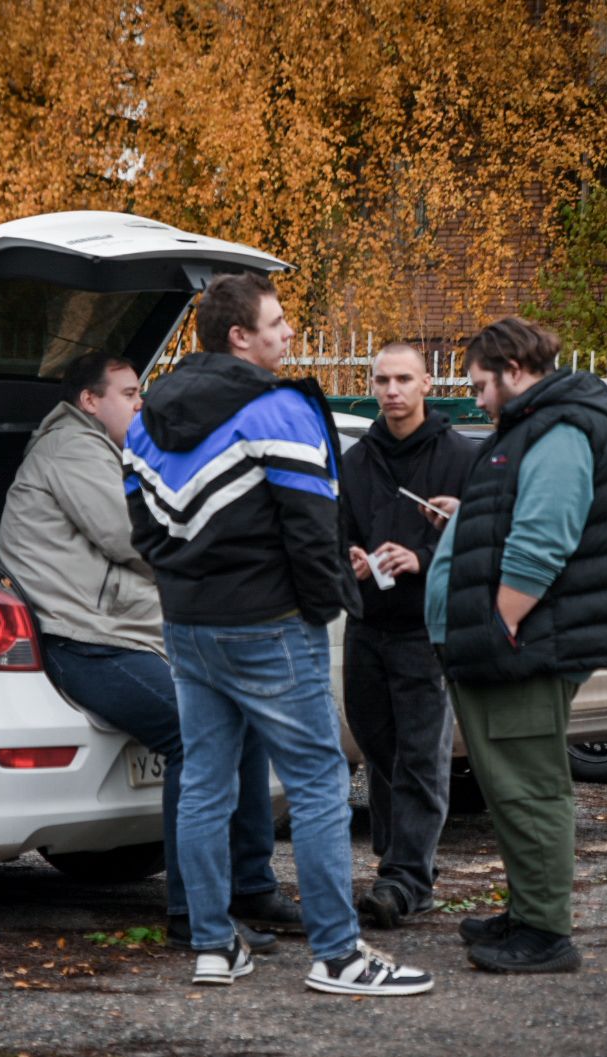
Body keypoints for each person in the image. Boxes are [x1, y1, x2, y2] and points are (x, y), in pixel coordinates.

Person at [124, 271, 433, 996]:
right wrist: (329, 599)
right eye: (278, 321)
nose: (289, 332)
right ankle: (336, 955)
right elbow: (310, 528)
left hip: (189, 625)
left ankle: (211, 944)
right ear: (240, 336)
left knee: (203, 783)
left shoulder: (145, 418)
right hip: (269, 625)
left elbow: (144, 533)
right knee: (321, 782)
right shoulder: (277, 409)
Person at [0, 351, 294, 954]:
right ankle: (195, 914)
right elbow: (137, 534)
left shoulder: (108, 448)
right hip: (84, 642)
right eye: (130, 393)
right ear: (89, 400)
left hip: (125, 632)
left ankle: (252, 884)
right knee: (199, 735)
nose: (140, 403)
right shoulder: (70, 451)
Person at [421, 316, 607, 975]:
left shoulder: (559, 429)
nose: (477, 398)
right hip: (515, 641)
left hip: (524, 644)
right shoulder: (533, 427)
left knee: (528, 786)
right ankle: (527, 909)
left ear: (514, 372)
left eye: (482, 384)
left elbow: (545, 536)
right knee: (507, 783)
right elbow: (520, 515)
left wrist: (500, 623)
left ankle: (546, 933)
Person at [340, 343, 478, 929]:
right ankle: (402, 864)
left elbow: (480, 540)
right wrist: (348, 558)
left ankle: (406, 878)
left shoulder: (457, 457)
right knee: (378, 747)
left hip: (425, 627)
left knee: (422, 754)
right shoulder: (358, 460)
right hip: (366, 623)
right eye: (382, 380)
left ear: (427, 383)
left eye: (404, 379)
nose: (392, 390)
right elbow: (337, 529)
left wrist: (422, 557)